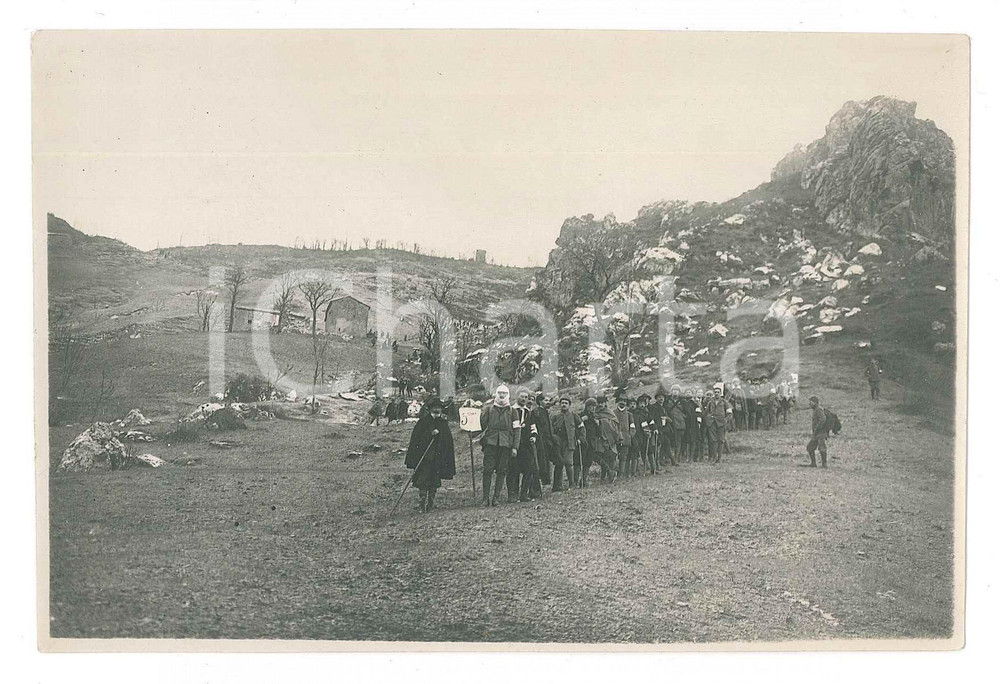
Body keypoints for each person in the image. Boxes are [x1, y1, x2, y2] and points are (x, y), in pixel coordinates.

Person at [404, 397, 456, 513]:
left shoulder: (443, 423)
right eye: (435, 408)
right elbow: (417, 439)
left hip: (438, 457)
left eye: (439, 408)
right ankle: (422, 503)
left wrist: (440, 435)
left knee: (434, 481)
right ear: (430, 409)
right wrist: (430, 434)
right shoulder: (423, 422)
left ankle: (430, 503)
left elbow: (447, 441)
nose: (437, 410)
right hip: (425, 457)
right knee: (423, 480)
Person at [479, 385, 521, 506]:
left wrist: (515, 447)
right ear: (496, 394)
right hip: (490, 443)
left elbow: (517, 430)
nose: (502, 396)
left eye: (504, 393)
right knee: (488, 470)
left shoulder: (513, 411)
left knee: (502, 470)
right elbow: (481, 425)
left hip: (506, 444)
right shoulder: (489, 409)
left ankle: (495, 498)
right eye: (500, 393)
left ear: (508, 395)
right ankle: (485, 498)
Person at [507, 389, 540, 502]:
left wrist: (533, 436)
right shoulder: (511, 410)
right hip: (513, 444)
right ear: (517, 397)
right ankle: (512, 495)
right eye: (522, 397)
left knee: (529, 469)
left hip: (526, 445)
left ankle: (524, 494)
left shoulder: (528, 412)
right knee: (513, 470)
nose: (524, 399)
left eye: (526, 397)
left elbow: (533, 427)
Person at [550, 396, 583, 490]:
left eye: (566, 403)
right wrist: (554, 438)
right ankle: (557, 486)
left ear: (569, 405)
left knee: (568, 462)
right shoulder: (555, 416)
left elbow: (581, 427)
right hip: (558, 443)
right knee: (558, 463)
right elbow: (550, 429)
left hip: (570, 442)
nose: (564, 405)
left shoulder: (573, 415)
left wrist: (581, 438)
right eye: (562, 403)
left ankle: (572, 484)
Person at [532, 392, 556, 493]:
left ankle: (550, 484)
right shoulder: (536, 412)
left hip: (548, 441)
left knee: (549, 462)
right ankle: (538, 488)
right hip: (540, 441)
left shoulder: (546, 412)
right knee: (541, 464)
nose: (548, 402)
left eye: (548, 400)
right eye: (546, 400)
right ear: (540, 401)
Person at [703, 383, 732, 464]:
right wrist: (708, 419)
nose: (716, 394)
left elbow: (729, 413)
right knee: (713, 440)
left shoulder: (724, 402)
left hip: (721, 423)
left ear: (721, 393)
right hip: (712, 423)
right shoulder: (710, 402)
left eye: (718, 392)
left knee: (721, 440)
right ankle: (713, 457)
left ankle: (719, 458)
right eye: (715, 392)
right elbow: (706, 413)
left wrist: (726, 420)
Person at [613, 392, 636, 479]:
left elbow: (632, 426)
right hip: (615, 438)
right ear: (617, 401)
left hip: (626, 439)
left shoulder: (629, 414)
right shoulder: (613, 413)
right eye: (621, 400)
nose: (622, 402)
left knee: (623, 456)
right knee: (614, 456)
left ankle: (621, 474)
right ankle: (613, 474)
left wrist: (630, 435)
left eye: (624, 401)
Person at [664, 385, 688, 462]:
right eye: (673, 390)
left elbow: (687, 412)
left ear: (679, 392)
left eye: (677, 390)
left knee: (678, 441)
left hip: (680, 424)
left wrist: (683, 416)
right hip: (669, 423)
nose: (675, 391)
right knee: (668, 441)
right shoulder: (666, 400)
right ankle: (667, 458)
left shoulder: (682, 401)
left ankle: (677, 457)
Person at [807, 395, 830, 468]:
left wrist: (817, 428)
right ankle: (813, 464)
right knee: (810, 447)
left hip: (821, 432)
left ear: (815, 402)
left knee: (822, 448)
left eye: (811, 402)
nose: (809, 404)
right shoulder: (815, 409)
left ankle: (824, 464)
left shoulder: (819, 409)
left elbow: (823, 419)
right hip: (816, 433)